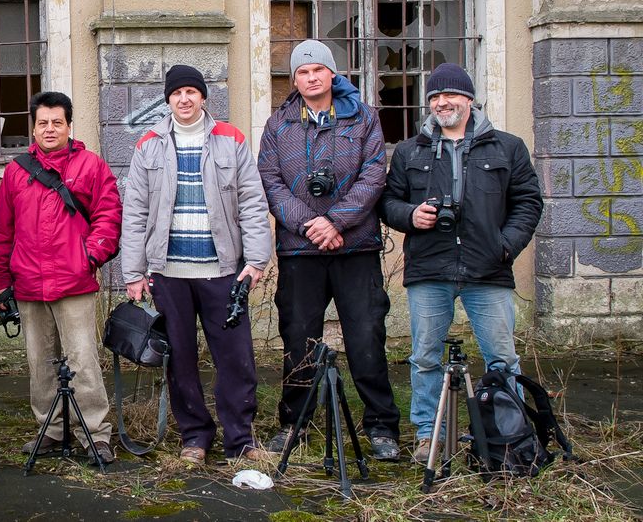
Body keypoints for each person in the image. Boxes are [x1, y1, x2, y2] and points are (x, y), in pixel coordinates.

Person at [379, 62, 543, 463]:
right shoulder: (410, 150)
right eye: (435, 96)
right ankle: (428, 435)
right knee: (425, 358)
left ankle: (508, 437)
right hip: (429, 268)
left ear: (469, 99)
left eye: (450, 94)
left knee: (502, 359)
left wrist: (505, 246)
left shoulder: (507, 147)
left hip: (488, 269)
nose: (442, 102)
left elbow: (528, 202)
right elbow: (388, 202)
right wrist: (410, 216)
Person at [258, 39, 402, 462]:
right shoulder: (278, 125)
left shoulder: (364, 118)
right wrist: (310, 225)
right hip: (300, 251)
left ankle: (381, 426)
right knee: (298, 338)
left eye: (318, 69)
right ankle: (294, 423)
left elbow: (374, 175)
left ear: (332, 74)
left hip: (355, 248)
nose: (311, 77)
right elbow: (271, 181)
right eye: (303, 72)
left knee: (366, 336)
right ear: (294, 79)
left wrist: (336, 221)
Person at [121, 64, 272, 464]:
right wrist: (133, 272)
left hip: (223, 272)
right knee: (180, 360)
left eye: (191, 91)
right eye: (177, 93)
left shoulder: (230, 139)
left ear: (203, 97)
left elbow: (252, 202)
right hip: (169, 274)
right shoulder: (149, 145)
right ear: (168, 100)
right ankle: (195, 437)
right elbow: (134, 212)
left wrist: (257, 259)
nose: (184, 99)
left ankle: (240, 440)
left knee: (235, 359)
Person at [0, 91, 121, 464]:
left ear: (68, 126)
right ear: (34, 127)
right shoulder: (16, 172)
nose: (50, 129)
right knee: (41, 362)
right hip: (28, 283)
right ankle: (50, 428)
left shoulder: (91, 166)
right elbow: (2, 231)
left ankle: (94, 433)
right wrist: (2, 282)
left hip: (74, 282)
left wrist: (89, 256)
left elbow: (109, 216)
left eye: (57, 122)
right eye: (43, 123)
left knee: (82, 360)